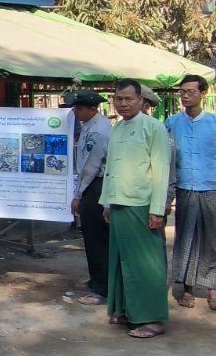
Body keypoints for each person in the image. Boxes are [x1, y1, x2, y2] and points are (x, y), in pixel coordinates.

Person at [100, 79, 171, 339]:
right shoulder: (117, 128)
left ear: (141, 100)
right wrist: (107, 201)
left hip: (142, 205)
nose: (123, 104)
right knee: (121, 261)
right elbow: (110, 168)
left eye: (129, 99)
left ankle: (153, 318)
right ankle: (127, 310)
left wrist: (157, 210)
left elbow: (161, 169)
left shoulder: (154, 127)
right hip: (118, 202)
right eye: (118, 99)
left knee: (146, 264)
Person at [165, 74, 216, 311]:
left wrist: (210, 175)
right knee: (185, 237)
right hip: (184, 186)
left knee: (209, 238)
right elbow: (168, 157)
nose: (185, 96)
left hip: (209, 187)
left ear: (203, 94)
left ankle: (212, 288)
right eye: (182, 92)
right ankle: (188, 288)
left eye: (191, 91)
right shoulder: (172, 123)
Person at [69, 91, 111, 307]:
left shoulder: (99, 130)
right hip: (91, 184)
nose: (76, 112)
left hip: (96, 185)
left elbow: (91, 166)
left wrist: (78, 194)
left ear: (93, 109)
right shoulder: (89, 125)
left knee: (98, 239)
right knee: (91, 238)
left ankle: (102, 288)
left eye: (79, 108)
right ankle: (95, 280)